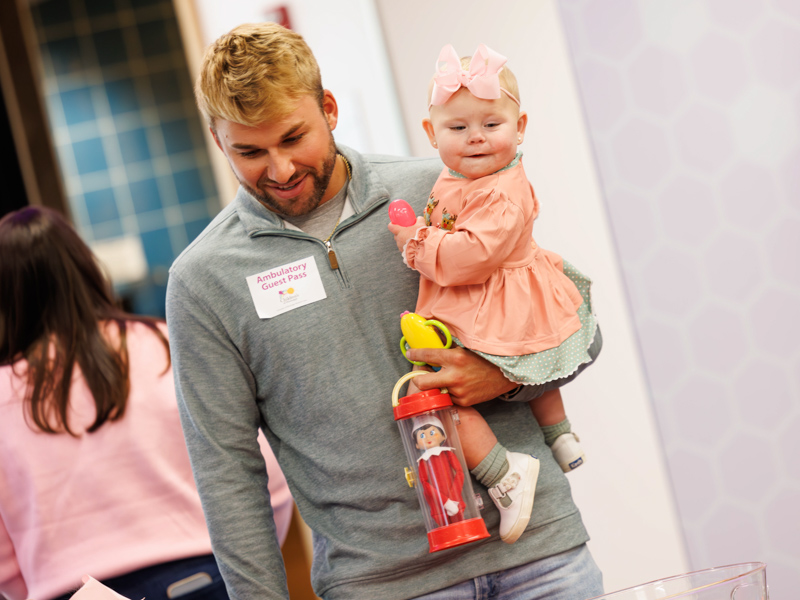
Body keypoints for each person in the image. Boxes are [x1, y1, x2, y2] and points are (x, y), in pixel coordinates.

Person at [166, 22, 604, 600]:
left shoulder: (439, 188)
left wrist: (500, 376)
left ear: (329, 109)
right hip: (382, 584)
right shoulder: (203, 281)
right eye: (249, 151)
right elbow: (227, 474)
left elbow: (578, 330)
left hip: (538, 558)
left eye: (294, 138)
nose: (279, 170)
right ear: (219, 142)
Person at [0, 207, 293, 600]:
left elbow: (5, 566)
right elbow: (267, 481)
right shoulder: (167, 344)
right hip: (204, 581)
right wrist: (252, 567)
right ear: (85, 268)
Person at [388, 44, 602, 543]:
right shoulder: (457, 177)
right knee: (534, 359)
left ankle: (504, 473)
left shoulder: (504, 189)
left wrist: (415, 239)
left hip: (495, 296)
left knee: (438, 393)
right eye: (457, 129)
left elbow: (470, 256)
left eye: (491, 125)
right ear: (430, 134)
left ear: (520, 126)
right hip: (503, 294)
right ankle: (559, 435)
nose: (476, 139)